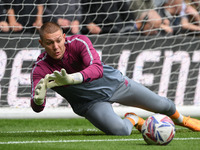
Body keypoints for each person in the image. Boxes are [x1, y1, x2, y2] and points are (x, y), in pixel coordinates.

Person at [31, 22, 200, 135]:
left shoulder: (79, 42)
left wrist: (72, 79)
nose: (56, 46)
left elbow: (96, 68)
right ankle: (134, 118)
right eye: (49, 43)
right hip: (90, 104)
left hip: (114, 84)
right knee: (121, 131)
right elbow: (37, 107)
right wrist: (38, 101)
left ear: (64, 37)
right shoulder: (40, 69)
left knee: (163, 105)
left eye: (59, 40)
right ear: (41, 44)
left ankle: (182, 120)